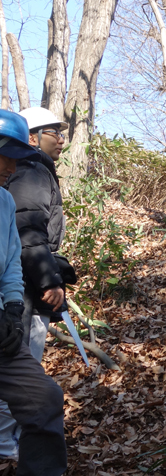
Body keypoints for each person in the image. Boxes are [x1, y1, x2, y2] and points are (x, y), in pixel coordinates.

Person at [0, 108, 73, 459]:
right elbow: (31, 233)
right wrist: (47, 277)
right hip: (27, 291)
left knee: (41, 392)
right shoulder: (31, 175)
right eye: (53, 132)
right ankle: (5, 446)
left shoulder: (6, 196)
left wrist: (12, 308)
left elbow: (13, 255)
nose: (11, 169)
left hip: (12, 305)